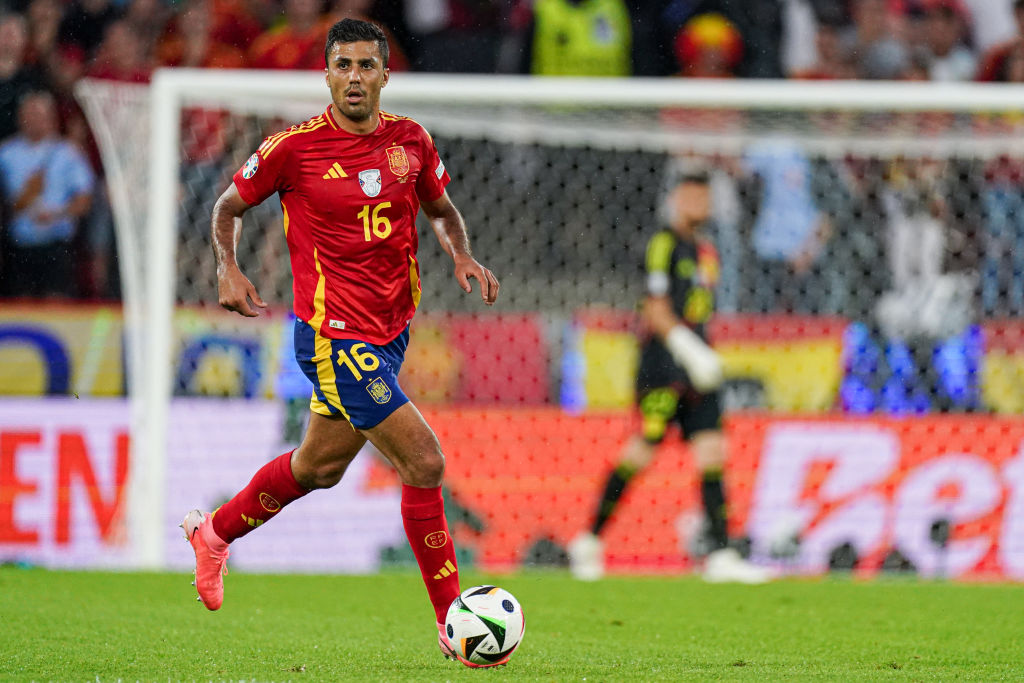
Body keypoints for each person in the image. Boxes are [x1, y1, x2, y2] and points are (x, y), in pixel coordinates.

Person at [182, 18, 501, 664]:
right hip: (331, 336)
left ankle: (213, 533)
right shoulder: (291, 149)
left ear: (385, 73)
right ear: (325, 74)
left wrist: (461, 255)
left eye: (366, 65)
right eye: (343, 65)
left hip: (390, 334)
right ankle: (455, 625)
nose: (354, 76)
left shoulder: (411, 141)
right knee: (425, 462)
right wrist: (227, 266)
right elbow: (226, 208)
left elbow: (439, 208)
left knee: (317, 468)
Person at [567, 166, 770, 584]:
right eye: (692, 196)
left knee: (712, 452)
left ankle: (720, 553)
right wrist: (690, 350)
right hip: (662, 367)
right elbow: (654, 308)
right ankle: (589, 539)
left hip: (699, 368)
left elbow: (700, 311)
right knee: (642, 450)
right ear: (676, 199)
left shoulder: (708, 251)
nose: (700, 204)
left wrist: (703, 353)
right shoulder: (663, 244)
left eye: (705, 197)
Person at [0, 90, 94, 298]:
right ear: (20, 117)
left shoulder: (68, 153)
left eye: (39, 115)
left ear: (51, 118)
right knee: (19, 305)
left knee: (56, 302)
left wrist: (57, 214)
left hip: (56, 245)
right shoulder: (6, 153)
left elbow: (84, 199)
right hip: (18, 246)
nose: (35, 120)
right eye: (30, 114)